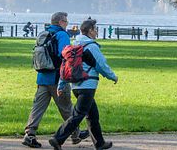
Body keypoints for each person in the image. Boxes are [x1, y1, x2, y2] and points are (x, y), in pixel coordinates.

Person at [22, 12, 88, 148]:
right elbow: (65, 55)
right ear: (60, 22)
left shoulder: (44, 33)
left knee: (38, 108)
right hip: (57, 78)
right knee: (66, 107)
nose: (67, 23)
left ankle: (29, 134)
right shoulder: (62, 35)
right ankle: (75, 134)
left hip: (42, 77)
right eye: (66, 21)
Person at [49, 18, 117, 150]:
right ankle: (57, 138)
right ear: (90, 31)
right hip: (88, 86)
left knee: (93, 116)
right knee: (78, 115)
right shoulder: (91, 46)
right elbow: (101, 65)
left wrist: (61, 85)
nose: (96, 32)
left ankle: (100, 143)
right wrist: (113, 76)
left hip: (76, 86)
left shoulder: (74, 45)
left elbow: (65, 67)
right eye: (95, 29)